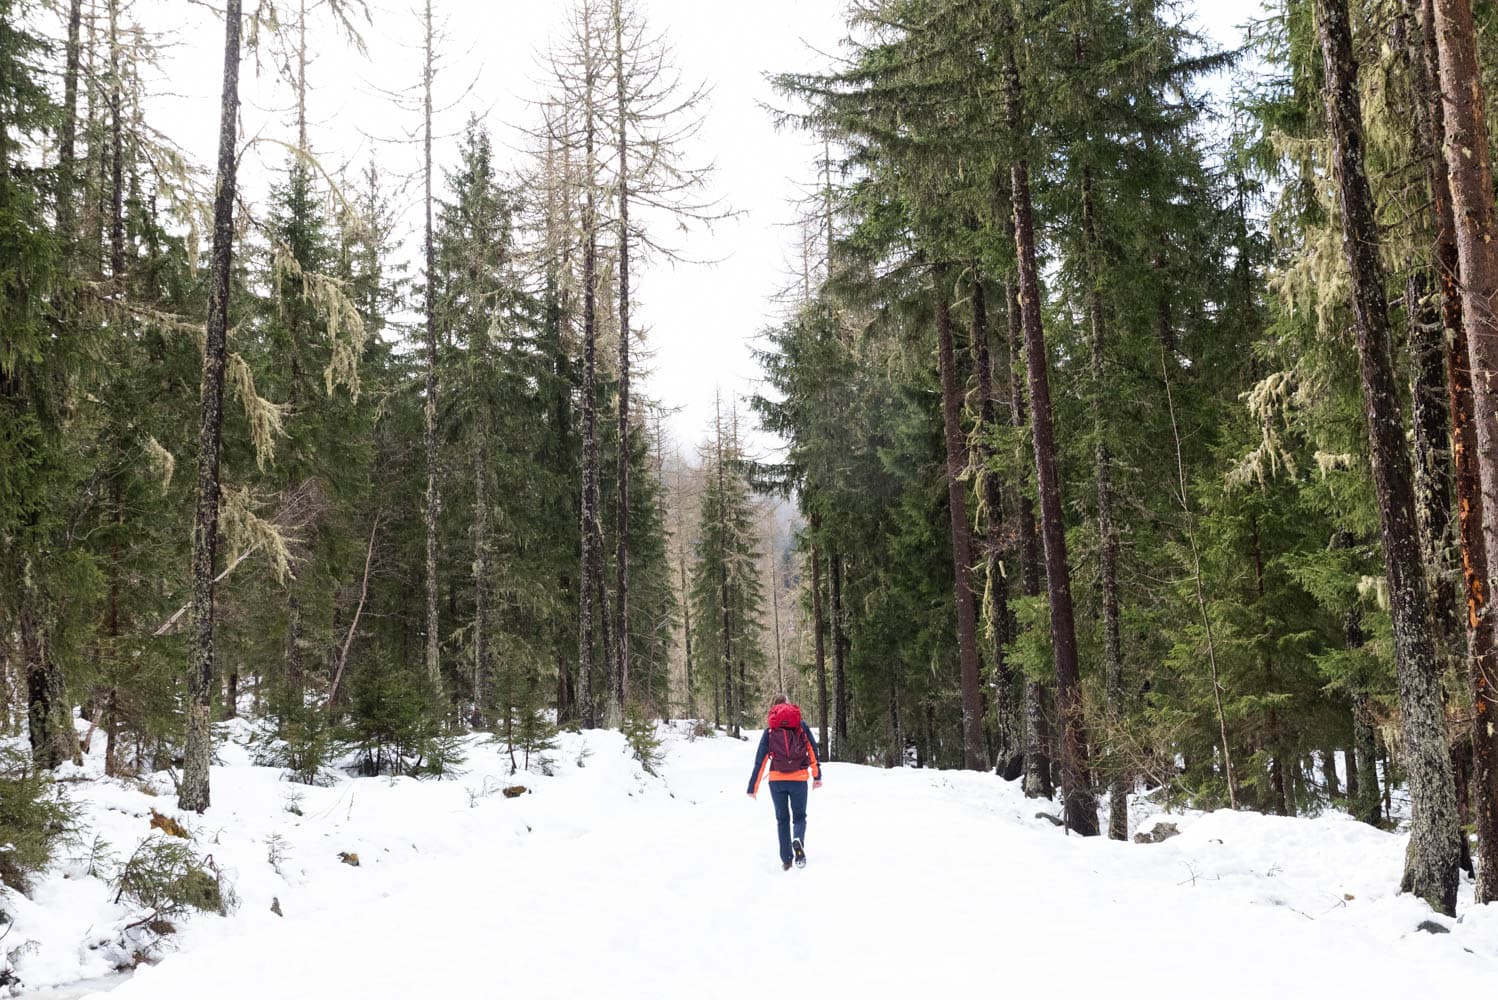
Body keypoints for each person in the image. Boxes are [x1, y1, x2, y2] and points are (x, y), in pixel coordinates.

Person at [746, 694, 823, 870]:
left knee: (782, 819)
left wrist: (753, 787)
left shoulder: (770, 731)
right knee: (799, 817)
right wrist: (817, 776)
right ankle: (798, 845)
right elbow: (812, 750)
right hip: (799, 779)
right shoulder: (800, 726)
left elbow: (761, 760)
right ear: (788, 705)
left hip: (776, 780)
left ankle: (787, 860)